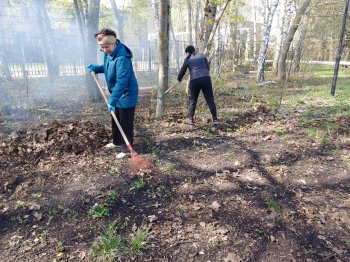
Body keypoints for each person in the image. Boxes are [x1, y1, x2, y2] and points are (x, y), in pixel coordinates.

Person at [86, 28, 138, 159]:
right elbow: (107, 66)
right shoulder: (109, 54)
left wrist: (112, 100)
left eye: (106, 47)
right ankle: (116, 142)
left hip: (126, 93)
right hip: (117, 92)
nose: (104, 50)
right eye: (102, 47)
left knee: (125, 121)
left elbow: (122, 81)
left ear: (114, 43)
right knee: (115, 118)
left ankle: (126, 148)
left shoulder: (122, 58)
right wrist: (97, 68)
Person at [177, 45, 218, 126]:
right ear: (194, 50)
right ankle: (215, 119)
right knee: (210, 100)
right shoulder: (202, 55)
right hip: (206, 79)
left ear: (188, 52)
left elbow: (182, 71)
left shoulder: (187, 60)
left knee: (193, 100)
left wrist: (179, 78)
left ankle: (190, 119)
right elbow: (207, 68)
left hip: (195, 81)